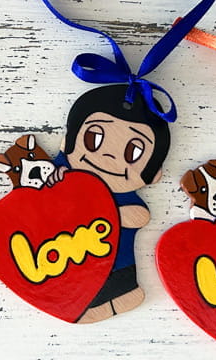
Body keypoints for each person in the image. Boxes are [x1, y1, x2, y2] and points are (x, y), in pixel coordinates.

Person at [48, 84, 171, 324]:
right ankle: (93, 302)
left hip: (116, 266)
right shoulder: (64, 177)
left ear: (154, 174)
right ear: (67, 142)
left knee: (116, 279)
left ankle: (121, 294)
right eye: (94, 138)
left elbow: (139, 216)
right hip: (68, 263)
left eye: (133, 152)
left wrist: (114, 214)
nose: (110, 156)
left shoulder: (123, 197)